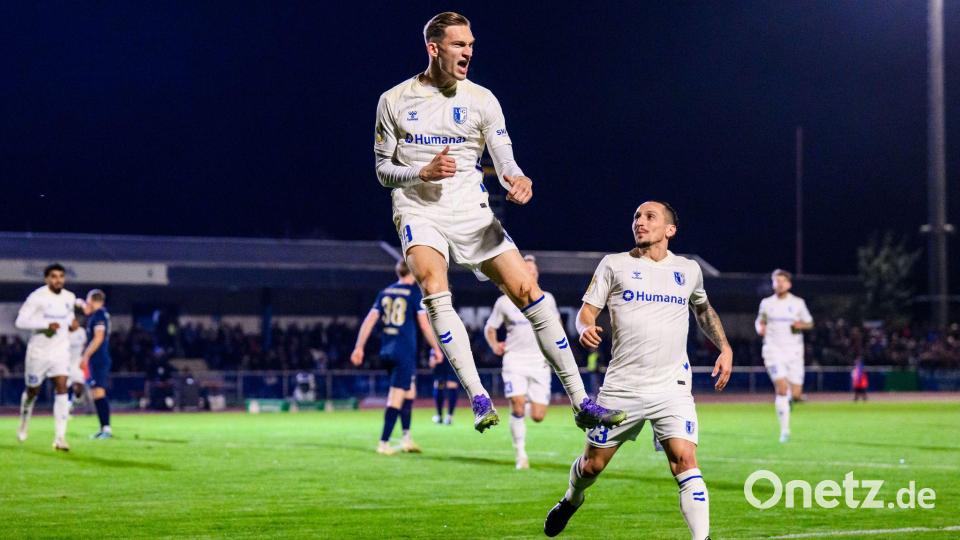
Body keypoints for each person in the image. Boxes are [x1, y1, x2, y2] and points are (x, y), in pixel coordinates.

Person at [374, 11, 623, 433]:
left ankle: (582, 400)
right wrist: (421, 173)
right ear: (433, 48)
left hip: (472, 210)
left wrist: (517, 178)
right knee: (435, 288)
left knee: (530, 289)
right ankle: (478, 396)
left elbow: (504, 158)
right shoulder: (394, 100)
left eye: (471, 44)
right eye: (459, 44)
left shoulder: (483, 100)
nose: (468, 51)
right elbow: (382, 170)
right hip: (419, 209)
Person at [543, 201, 733, 540]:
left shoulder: (688, 270)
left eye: (649, 217)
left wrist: (726, 348)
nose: (640, 222)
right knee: (592, 466)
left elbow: (703, 310)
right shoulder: (614, 265)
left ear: (670, 229)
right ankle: (572, 499)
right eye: (636, 217)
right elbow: (585, 313)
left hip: (672, 386)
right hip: (623, 388)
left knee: (685, 461)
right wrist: (584, 327)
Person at [351, 261, 443, 455]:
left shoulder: (385, 293)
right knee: (397, 396)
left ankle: (407, 438)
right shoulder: (413, 293)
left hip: (387, 350)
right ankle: (383, 442)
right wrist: (436, 348)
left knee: (409, 392)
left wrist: (359, 347)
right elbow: (425, 326)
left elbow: (369, 320)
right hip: (403, 352)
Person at [484, 254, 555, 469]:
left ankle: (520, 409)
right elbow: (490, 328)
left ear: (537, 274)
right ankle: (521, 455)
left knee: (538, 416)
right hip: (514, 360)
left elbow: (556, 327)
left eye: (533, 271)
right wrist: (495, 345)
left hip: (539, 363)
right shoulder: (504, 301)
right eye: (527, 270)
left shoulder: (547, 298)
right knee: (516, 403)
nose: (530, 274)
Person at [14, 263, 77, 451]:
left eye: (61, 276)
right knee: (32, 391)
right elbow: (20, 321)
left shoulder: (69, 297)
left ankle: (60, 438)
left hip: (60, 352)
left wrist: (72, 322)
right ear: (46, 279)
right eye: (54, 276)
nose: (58, 280)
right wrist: (45, 324)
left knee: (62, 387)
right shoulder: (37, 297)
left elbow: (68, 317)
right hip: (39, 352)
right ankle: (24, 421)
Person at [754, 269, 813, 443]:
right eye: (776, 280)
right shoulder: (766, 303)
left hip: (794, 352)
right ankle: (785, 431)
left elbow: (809, 323)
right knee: (781, 388)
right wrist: (759, 328)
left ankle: (790, 400)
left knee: (795, 394)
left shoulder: (798, 303)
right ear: (773, 283)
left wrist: (800, 324)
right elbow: (760, 320)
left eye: (782, 281)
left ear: (789, 284)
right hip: (773, 350)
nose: (779, 284)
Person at [81, 289, 113, 439]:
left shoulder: (99, 315)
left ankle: (106, 429)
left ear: (94, 301)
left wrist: (86, 355)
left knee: (99, 392)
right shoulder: (99, 314)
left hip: (99, 359)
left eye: (88, 301)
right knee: (96, 393)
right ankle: (103, 428)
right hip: (98, 359)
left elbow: (98, 338)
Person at [430, 348, 459, 424]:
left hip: (442, 352)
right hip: (452, 352)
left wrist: (434, 353)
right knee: (450, 385)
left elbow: (432, 363)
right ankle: (449, 417)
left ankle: (440, 416)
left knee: (440, 385)